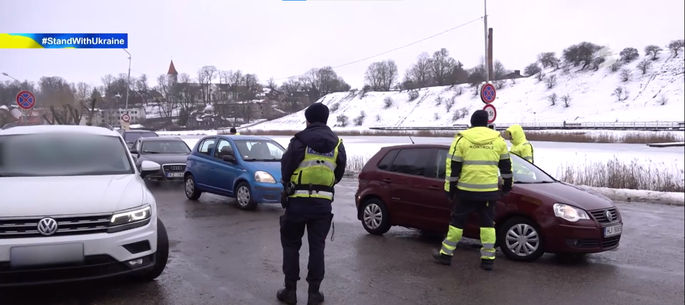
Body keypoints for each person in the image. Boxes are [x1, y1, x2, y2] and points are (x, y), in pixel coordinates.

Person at [277, 103, 347, 305]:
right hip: (322, 205)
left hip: (297, 203)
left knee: (291, 245)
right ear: (326, 119)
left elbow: (286, 169)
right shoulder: (337, 144)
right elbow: (338, 174)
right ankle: (314, 294)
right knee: (317, 248)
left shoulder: (299, 141)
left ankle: (290, 292)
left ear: (308, 120)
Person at [432, 110, 513, 271]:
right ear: (487, 123)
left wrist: (450, 189)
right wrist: (507, 186)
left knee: (457, 224)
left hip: (466, 191)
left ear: (472, 122)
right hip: (489, 192)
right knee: (488, 225)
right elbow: (506, 167)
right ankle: (488, 259)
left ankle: (446, 255)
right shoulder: (498, 141)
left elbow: (453, 168)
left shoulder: (462, 140)